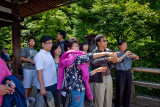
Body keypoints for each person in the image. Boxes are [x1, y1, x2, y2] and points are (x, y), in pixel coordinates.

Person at [57, 38, 116, 107]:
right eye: (75, 46)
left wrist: (97, 70)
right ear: (69, 48)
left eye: (78, 46)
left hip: (79, 89)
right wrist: (106, 53)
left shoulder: (74, 59)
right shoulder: (72, 58)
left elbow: (83, 76)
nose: (78, 47)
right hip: (76, 90)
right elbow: (89, 56)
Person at [91, 34, 117, 107]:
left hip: (108, 76)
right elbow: (94, 62)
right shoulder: (95, 52)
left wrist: (115, 60)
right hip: (99, 78)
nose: (106, 42)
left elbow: (114, 63)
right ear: (98, 43)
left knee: (108, 98)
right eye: (104, 41)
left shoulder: (108, 50)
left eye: (106, 40)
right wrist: (108, 58)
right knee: (99, 100)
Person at [34, 35, 58, 106]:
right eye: (49, 43)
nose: (51, 45)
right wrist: (42, 87)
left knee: (53, 104)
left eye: (51, 43)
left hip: (53, 83)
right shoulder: (39, 55)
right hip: (46, 86)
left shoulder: (48, 53)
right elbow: (39, 72)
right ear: (43, 44)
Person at [114, 40, 139, 107]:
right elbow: (116, 61)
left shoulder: (128, 52)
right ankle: (118, 105)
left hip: (128, 72)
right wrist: (125, 55)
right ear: (119, 46)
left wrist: (134, 56)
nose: (125, 46)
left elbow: (137, 58)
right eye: (124, 45)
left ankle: (126, 105)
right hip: (120, 73)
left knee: (128, 90)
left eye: (126, 45)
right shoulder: (116, 53)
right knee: (120, 90)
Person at [20, 37, 37, 106]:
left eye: (33, 41)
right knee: (27, 85)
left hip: (34, 69)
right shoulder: (25, 49)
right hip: (27, 69)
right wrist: (30, 60)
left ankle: (29, 97)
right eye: (31, 41)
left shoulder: (36, 51)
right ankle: (25, 99)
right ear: (28, 42)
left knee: (32, 85)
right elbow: (21, 58)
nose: (32, 42)